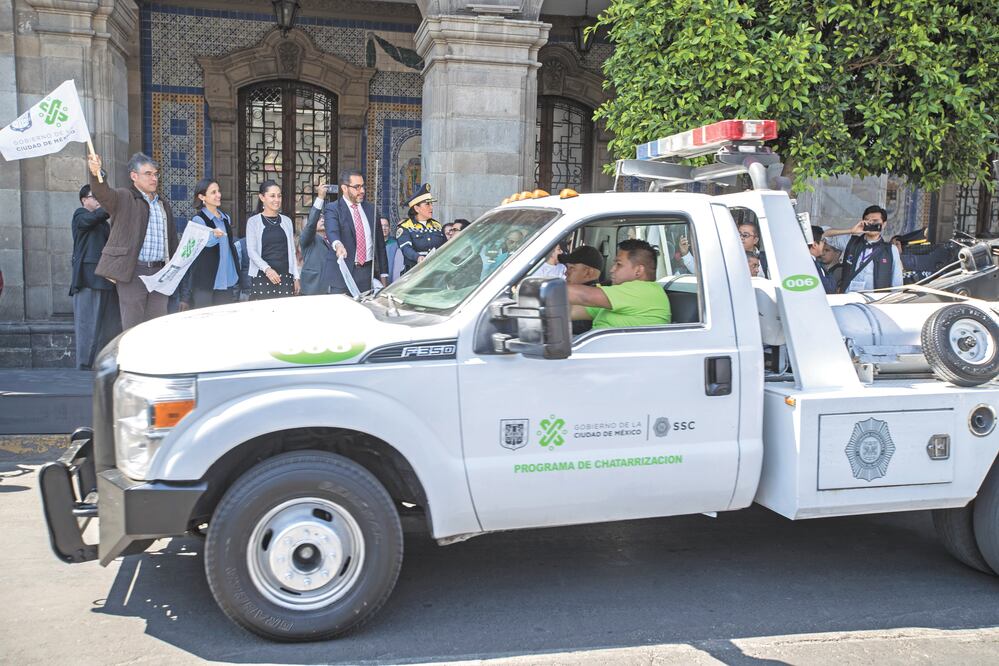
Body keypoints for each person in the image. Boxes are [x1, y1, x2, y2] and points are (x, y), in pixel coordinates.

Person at [87, 151, 178, 330]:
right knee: (133, 327)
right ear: (134, 176)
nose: (154, 178)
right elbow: (103, 194)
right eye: (148, 174)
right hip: (133, 271)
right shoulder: (124, 197)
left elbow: (172, 239)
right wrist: (96, 173)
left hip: (160, 273)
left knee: (157, 327)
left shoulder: (163, 205)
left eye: (155, 174)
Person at [567, 239, 671, 329]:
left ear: (638, 271)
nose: (612, 269)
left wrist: (551, 287)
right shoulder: (621, 296)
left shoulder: (646, 291)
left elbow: (583, 296)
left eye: (619, 264)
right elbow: (570, 312)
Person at [70, 184, 120, 368]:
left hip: (106, 279)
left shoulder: (102, 223)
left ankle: (99, 364)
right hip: (88, 280)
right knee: (87, 326)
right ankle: (84, 366)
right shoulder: (80, 215)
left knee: (107, 327)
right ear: (84, 200)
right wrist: (110, 204)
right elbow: (90, 220)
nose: (98, 200)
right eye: (95, 197)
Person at [325, 170, 389, 293]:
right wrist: (338, 245)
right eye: (357, 187)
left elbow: (380, 245)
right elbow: (332, 231)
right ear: (344, 188)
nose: (362, 191)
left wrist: (384, 275)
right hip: (342, 274)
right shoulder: (333, 209)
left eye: (363, 186)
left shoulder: (371, 209)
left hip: (367, 274)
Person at [179, 178, 236, 309]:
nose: (219, 195)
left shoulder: (225, 218)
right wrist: (212, 235)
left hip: (226, 280)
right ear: (202, 196)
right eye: (213, 192)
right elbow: (204, 244)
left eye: (219, 191)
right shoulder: (198, 220)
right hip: (205, 281)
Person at [824, 205, 903, 293]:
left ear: (884, 224)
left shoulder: (891, 249)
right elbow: (823, 233)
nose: (871, 223)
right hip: (849, 297)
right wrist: (850, 231)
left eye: (875, 221)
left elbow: (897, 283)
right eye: (868, 220)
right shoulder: (851, 241)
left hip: (875, 301)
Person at [245, 180, 300, 300]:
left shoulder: (287, 221)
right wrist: (267, 269)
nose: (277, 199)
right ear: (262, 197)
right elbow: (251, 251)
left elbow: (292, 251)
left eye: (279, 196)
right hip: (263, 276)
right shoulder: (253, 221)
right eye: (272, 196)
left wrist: (296, 277)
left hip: (285, 277)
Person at [396, 184, 446, 273]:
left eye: (431, 204)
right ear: (416, 208)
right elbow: (406, 248)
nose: (431, 207)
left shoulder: (437, 226)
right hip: (415, 273)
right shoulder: (405, 227)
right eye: (427, 204)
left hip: (436, 273)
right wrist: (418, 257)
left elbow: (445, 246)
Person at [299, 182, 336, 296]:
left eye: (323, 218)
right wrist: (320, 198)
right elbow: (311, 223)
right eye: (319, 218)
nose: (323, 220)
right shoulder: (308, 239)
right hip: (313, 288)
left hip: (332, 287)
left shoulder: (333, 238)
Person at [808, 225, 838, 294]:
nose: (824, 244)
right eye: (822, 241)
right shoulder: (812, 265)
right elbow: (829, 289)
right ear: (814, 245)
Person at [381, 217, 403, 284]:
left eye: (386, 226)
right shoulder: (372, 243)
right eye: (381, 226)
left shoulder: (395, 244)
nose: (384, 228)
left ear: (390, 228)